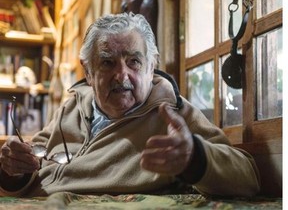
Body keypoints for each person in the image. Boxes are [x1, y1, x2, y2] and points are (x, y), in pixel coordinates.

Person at [0, 12, 260, 197]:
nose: (122, 75)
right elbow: (31, 165)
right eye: (107, 62)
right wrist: (13, 169)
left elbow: (248, 176)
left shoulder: (171, 113)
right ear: (88, 72)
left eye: (134, 61)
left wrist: (195, 158)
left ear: (151, 66)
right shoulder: (71, 107)